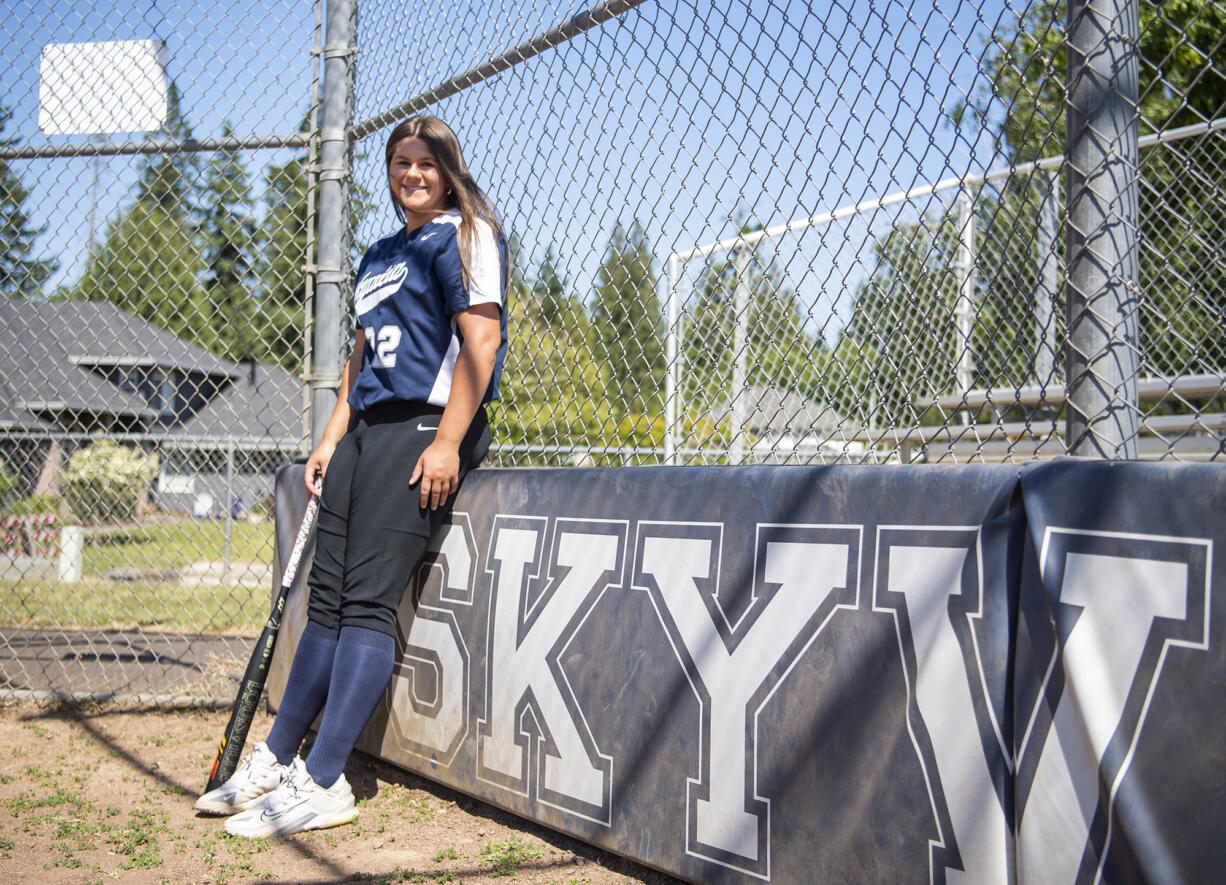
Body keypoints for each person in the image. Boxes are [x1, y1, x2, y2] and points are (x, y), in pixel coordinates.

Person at [195, 115, 508, 838]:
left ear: (448, 169)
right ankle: (276, 757)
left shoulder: (468, 233)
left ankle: (325, 777)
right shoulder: (379, 252)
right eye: (400, 161)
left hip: (425, 427)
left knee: (367, 605)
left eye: (426, 163)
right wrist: (332, 438)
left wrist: (450, 443)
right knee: (327, 601)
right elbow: (358, 359)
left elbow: (480, 341)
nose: (412, 174)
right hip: (367, 431)